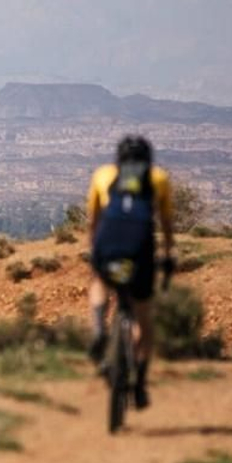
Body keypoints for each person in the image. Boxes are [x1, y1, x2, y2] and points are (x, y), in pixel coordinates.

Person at [86, 134, 175, 409]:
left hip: (108, 244)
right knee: (142, 318)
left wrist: (94, 250)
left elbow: (94, 220)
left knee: (100, 282)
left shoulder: (103, 175)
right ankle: (140, 382)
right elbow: (166, 223)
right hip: (140, 250)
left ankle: (99, 328)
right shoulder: (158, 178)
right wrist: (169, 254)